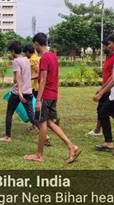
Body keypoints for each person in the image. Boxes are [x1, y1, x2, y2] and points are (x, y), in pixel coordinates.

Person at [24, 32, 81, 163]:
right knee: (49, 122)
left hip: (45, 96)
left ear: (37, 44)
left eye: (35, 45)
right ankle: (71, 146)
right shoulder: (53, 56)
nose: (34, 48)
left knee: (42, 123)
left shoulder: (44, 58)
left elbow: (43, 80)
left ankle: (39, 155)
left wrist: (38, 100)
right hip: (53, 95)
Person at [0, 41, 37, 142]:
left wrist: (19, 91)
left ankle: (7, 137)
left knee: (9, 113)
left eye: (11, 51)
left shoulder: (16, 61)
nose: (11, 53)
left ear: (13, 50)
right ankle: (44, 135)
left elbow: (18, 77)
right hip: (28, 92)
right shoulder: (26, 59)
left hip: (17, 93)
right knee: (31, 116)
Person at [91, 39, 114, 151]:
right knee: (102, 112)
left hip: (111, 90)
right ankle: (102, 134)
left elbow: (113, 77)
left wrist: (103, 90)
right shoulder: (108, 57)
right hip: (106, 89)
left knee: (113, 114)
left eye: (104, 47)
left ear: (110, 46)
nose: (103, 49)